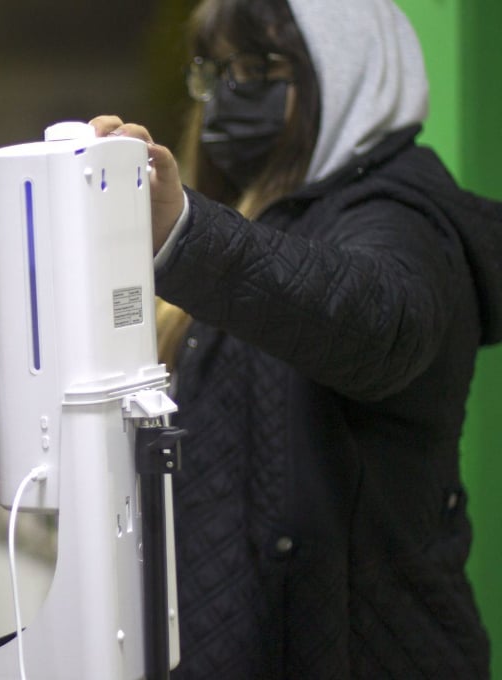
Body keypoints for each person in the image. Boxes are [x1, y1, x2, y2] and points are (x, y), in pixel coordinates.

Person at [91, 0, 499, 676]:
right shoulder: (271, 208)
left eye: (254, 68)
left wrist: (187, 233)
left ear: (347, 70)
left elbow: (375, 323)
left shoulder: (399, 216)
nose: (226, 93)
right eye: (216, 70)